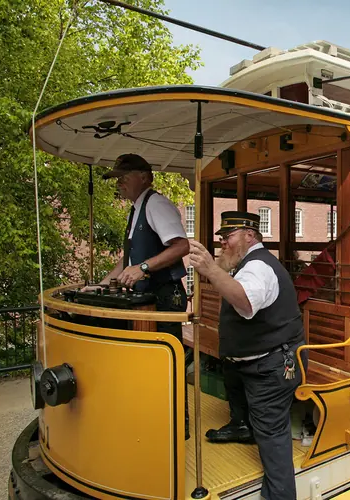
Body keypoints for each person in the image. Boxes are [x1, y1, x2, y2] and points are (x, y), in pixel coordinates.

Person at [189, 211, 305, 500]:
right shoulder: (246, 265)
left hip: (271, 367)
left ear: (249, 235)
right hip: (251, 362)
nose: (222, 244)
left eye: (227, 237)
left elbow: (245, 302)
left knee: (272, 437)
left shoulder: (259, 268)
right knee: (231, 375)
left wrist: (211, 270)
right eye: (221, 239)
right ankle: (242, 426)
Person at [92, 154, 190, 435]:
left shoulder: (156, 204)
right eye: (117, 177)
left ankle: (176, 423)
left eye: (125, 175)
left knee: (166, 359)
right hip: (148, 299)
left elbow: (182, 247)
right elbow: (129, 260)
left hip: (164, 296)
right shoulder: (136, 209)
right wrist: (100, 284)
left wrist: (143, 268)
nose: (119, 182)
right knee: (148, 361)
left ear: (145, 177)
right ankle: (153, 416)